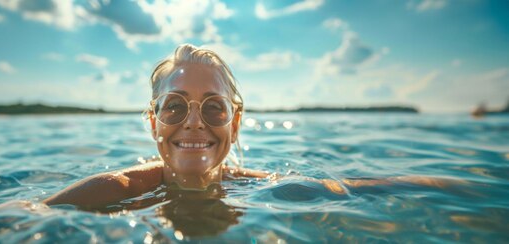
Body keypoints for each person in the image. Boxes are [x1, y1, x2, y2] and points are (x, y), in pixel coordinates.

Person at [42, 44, 465, 210]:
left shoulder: (256, 187)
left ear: (236, 122)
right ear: (153, 123)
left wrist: (453, 185)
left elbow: (355, 188)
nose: (193, 122)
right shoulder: (116, 191)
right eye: (174, 108)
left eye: (213, 108)